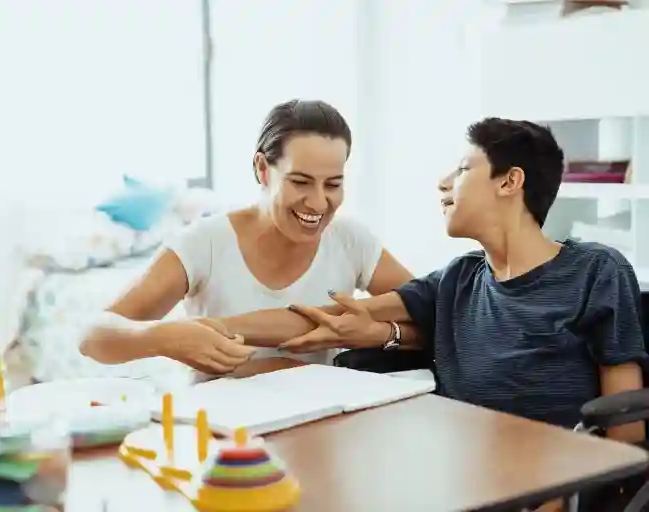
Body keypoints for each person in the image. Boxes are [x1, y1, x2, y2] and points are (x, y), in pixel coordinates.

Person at [108, 118, 647, 446]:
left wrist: (594, 488)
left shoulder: (596, 271)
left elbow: (624, 427)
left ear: (511, 182)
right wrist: (209, 331)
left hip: (555, 476)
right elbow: (327, 317)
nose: (443, 183)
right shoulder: (458, 280)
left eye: (462, 169)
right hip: (460, 468)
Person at [80, 99, 418, 374]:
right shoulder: (205, 243)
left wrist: (380, 333)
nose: (318, 203)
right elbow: (93, 336)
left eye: (332, 184)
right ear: (263, 169)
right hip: (225, 425)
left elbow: (434, 315)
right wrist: (163, 337)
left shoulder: (350, 240)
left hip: (324, 418)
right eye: (300, 182)